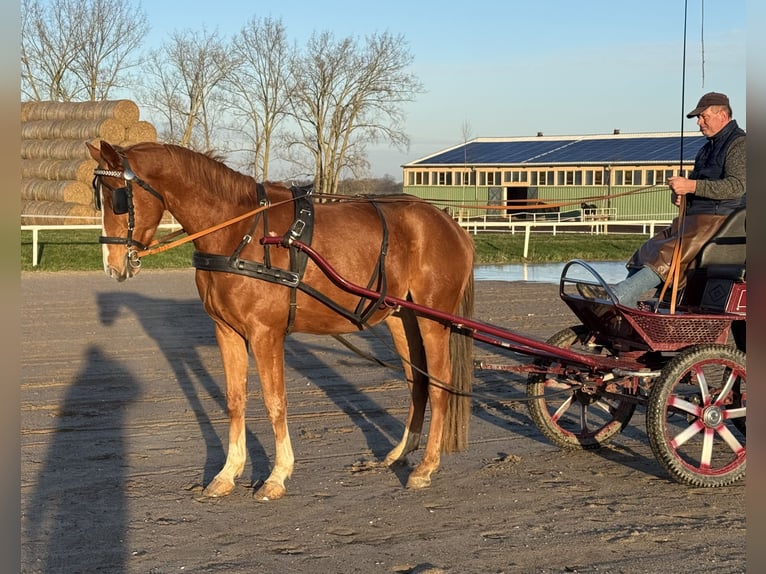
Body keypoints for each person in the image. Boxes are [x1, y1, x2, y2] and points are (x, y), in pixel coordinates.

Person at [580, 91, 746, 307]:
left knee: (669, 252)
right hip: (695, 219)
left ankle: (621, 294)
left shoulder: (740, 145)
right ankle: (628, 299)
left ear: (722, 115)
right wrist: (682, 195)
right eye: (699, 118)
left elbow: (737, 186)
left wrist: (691, 186)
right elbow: (696, 186)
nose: (698, 123)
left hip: (723, 221)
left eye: (703, 117)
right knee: (650, 247)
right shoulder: (707, 148)